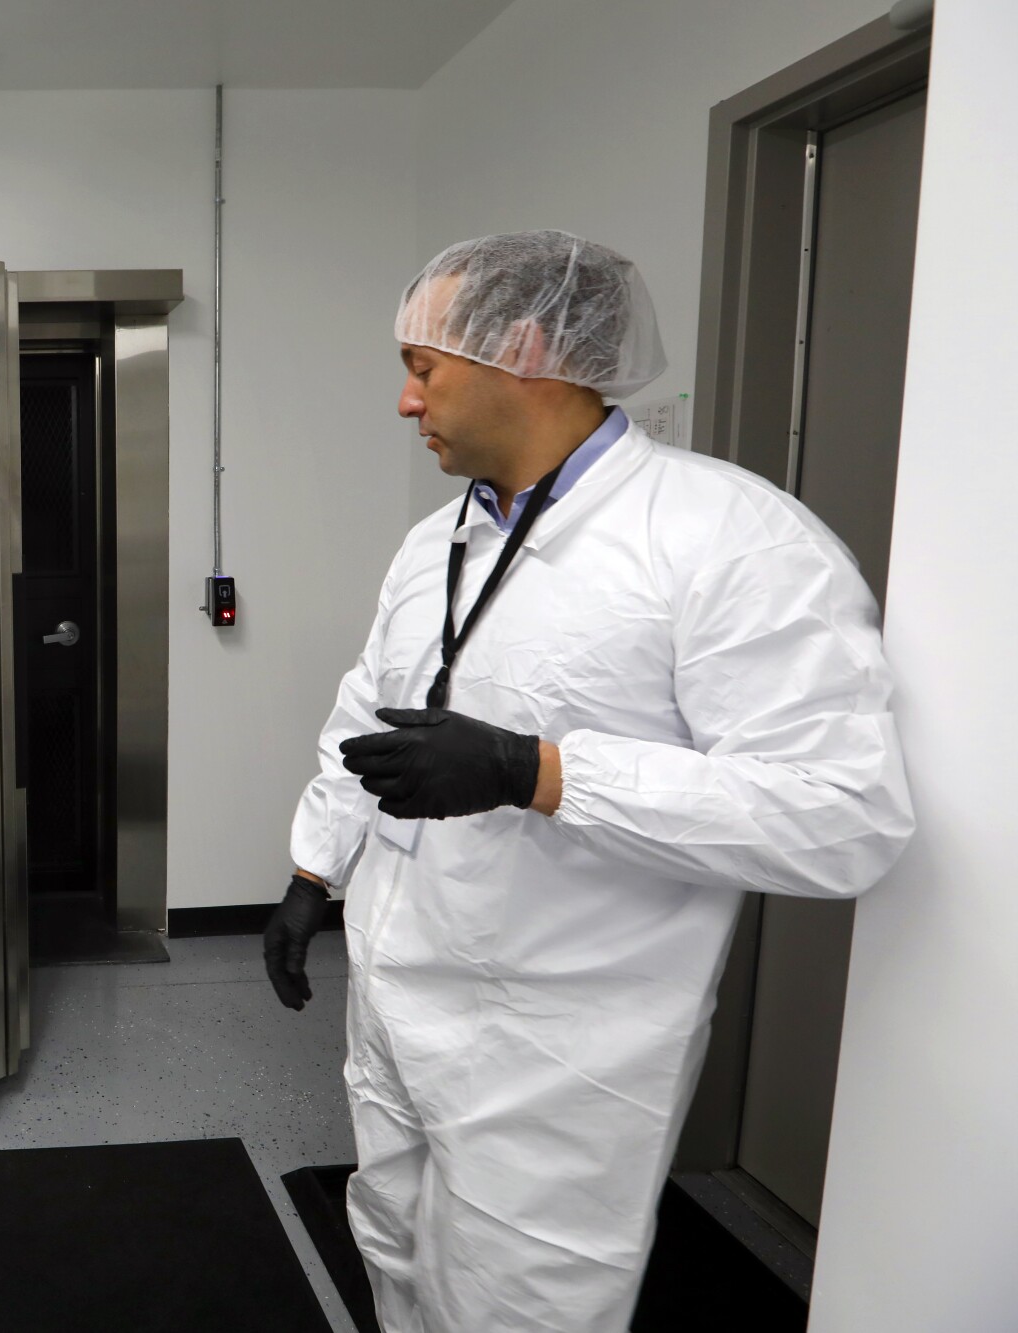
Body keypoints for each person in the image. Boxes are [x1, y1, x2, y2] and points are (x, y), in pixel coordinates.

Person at [264, 231, 913, 1332]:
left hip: (559, 1044)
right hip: (394, 989)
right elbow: (364, 708)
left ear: (522, 348)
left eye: (421, 368)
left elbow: (841, 815)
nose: (404, 403)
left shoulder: (725, 538)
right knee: (389, 1242)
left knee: (517, 1306)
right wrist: (311, 869)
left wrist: (537, 771)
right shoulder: (438, 539)